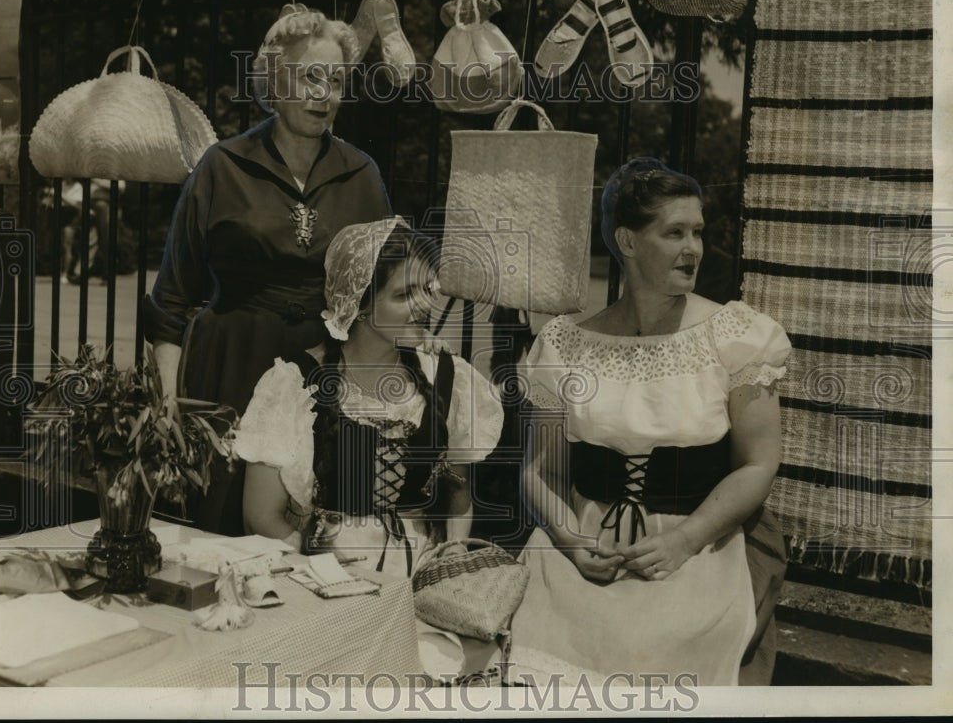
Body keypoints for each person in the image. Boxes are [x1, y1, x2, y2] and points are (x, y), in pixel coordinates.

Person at [509, 157, 791, 687]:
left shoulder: (736, 336)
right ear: (629, 242)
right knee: (542, 655)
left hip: (701, 545)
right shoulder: (564, 344)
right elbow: (538, 471)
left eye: (699, 232)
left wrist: (684, 541)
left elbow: (759, 464)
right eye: (675, 233)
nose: (694, 249)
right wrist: (572, 543)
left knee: (654, 652)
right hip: (585, 548)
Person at [144, 6, 392, 535]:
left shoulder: (362, 175)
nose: (323, 95)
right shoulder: (222, 166)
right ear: (274, 83)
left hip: (319, 377)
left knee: (309, 536)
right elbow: (171, 301)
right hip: (227, 370)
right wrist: (168, 404)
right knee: (216, 533)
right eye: (309, 78)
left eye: (336, 81)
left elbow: (383, 294)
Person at [234, 218, 503, 675]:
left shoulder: (448, 381)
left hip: (420, 581)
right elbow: (260, 514)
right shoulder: (295, 383)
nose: (424, 306)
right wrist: (324, 572)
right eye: (403, 295)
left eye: (427, 289)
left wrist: (453, 558)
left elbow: (459, 492)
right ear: (357, 306)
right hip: (324, 575)